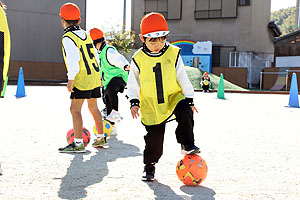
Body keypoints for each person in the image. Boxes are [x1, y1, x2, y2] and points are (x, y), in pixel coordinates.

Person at [127, 12, 200, 181]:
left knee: (185, 110)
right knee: (154, 141)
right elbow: (133, 83)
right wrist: (134, 102)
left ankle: (186, 144)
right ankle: (149, 166)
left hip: (173, 97)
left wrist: (189, 98)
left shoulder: (173, 53)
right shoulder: (138, 58)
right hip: (152, 104)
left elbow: (182, 76)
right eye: (153, 40)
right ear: (142, 38)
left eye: (162, 38)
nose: (158, 43)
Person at [57, 3, 106, 152]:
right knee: (93, 107)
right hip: (94, 75)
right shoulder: (86, 34)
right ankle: (101, 137)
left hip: (82, 78)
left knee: (75, 109)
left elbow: (73, 59)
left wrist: (70, 79)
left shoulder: (68, 37)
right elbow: (96, 57)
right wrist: (99, 76)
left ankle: (78, 143)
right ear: (79, 20)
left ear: (62, 21)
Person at [89, 28, 130, 134]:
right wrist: (101, 81)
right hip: (108, 81)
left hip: (119, 77)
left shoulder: (108, 50)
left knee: (111, 88)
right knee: (107, 100)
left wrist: (125, 66)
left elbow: (118, 58)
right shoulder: (100, 53)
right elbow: (102, 69)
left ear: (98, 42)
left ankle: (115, 112)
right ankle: (112, 127)